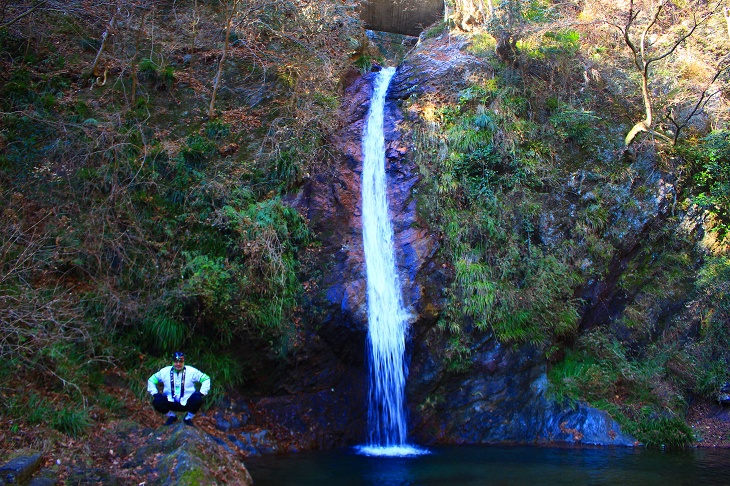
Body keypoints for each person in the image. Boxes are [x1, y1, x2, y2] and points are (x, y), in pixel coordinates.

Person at [147, 351, 211, 426]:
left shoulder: (191, 371)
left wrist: (202, 392)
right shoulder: (165, 371)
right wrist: (155, 393)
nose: (178, 364)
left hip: (186, 401)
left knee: (198, 399)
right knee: (157, 401)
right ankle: (171, 416)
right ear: (172, 361)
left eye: (180, 361)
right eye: (176, 361)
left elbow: (206, 379)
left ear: (184, 362)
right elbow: (151, 380)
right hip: (170, 401)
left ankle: (188, 418)